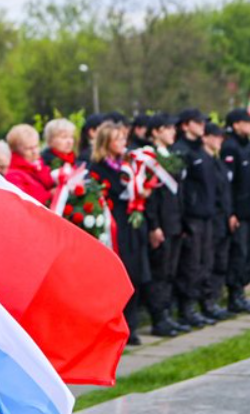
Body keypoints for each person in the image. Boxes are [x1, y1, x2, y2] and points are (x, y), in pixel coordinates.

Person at [90, 121, 150, 345]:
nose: (123, 143)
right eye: (117, 139)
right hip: (113, 229)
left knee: (134, 276)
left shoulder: (129, 165)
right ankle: (113, 329)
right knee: (116, 278)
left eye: (124, 139)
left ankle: (131, 327)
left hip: (131, 226)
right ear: (106, 142)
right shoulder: (97, 168)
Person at [141, 113, 189, 337]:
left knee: (170, 270)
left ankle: (167, 313)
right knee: (160, 270)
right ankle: (158, 317)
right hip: (161, 222)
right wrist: (154, 225)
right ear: (155, 132)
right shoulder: (149, 158)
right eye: (167, 128)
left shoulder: (170, 155)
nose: (173, 132)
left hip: (174, 220)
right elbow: (150, 197)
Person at [171, 109, 218, 328]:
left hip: (206, 214)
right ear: (186, 125)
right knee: (190, 264)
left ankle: (203, 304)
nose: (202, 126)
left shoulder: (201, 150)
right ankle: (186, 309)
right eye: (198, 122)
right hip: (191, 217)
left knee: (204, 262)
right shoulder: (180, 151)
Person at [221, 109, 250, 314]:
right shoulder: (230, 147)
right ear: (236, 124)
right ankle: (235, 296)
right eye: (247, 122)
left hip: (249, 211)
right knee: (238, 254)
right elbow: (229, 184)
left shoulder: (246, 147)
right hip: (238, 213)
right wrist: (231, 212)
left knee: (248, 252)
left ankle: (242, 294)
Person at [200, 122, 233, 321]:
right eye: (215, 136)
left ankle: (215, 299)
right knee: (208, 261)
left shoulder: (217, 161)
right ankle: (207, 301)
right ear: (206, 138)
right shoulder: (204, 161)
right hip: (210, 217)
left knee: (220, 259)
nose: (219, 140)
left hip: (222, 217)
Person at [5, 124, 55, 205]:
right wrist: (50, 195)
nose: (35, 151)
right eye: (29, 148)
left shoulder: (38, 164)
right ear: (15, 150)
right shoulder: (13, 175)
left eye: (36, 146)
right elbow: (24, 203)